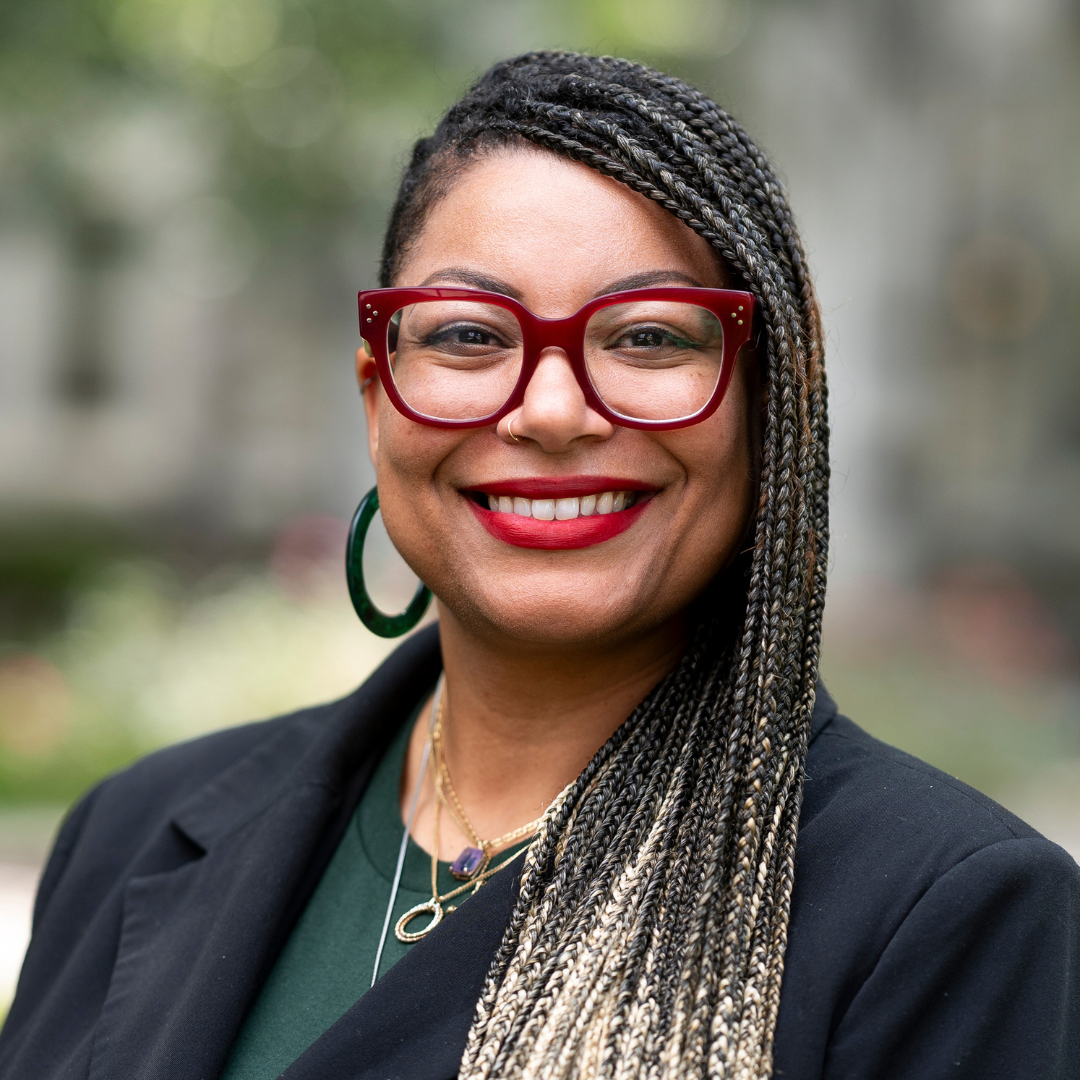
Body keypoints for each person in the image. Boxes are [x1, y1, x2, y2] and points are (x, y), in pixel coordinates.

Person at [1, 51, 1077, 1080]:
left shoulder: (948, 913)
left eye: (651, 338)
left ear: (770, 409)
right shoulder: (135, 830)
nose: (552, 410)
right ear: (379, 398)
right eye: (469, 335)